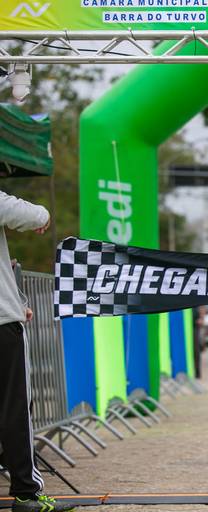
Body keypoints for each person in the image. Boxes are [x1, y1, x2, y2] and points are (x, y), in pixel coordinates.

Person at [0, 190, 75, 511]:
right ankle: (26, 493)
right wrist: (43, 216)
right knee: (16, 408)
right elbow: (32, 215)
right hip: (2, 322)